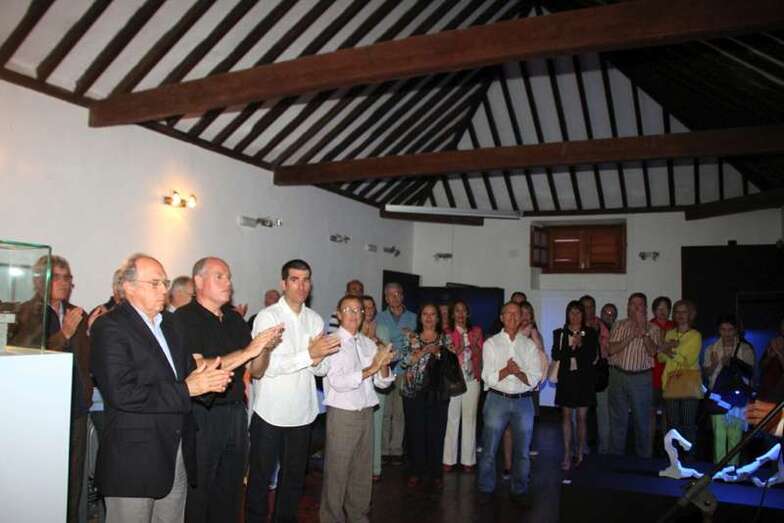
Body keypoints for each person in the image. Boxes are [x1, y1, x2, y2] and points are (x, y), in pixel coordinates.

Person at [90, 254, 232, 522]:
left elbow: (185, 374)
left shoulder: (170, 323)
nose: (164, 290)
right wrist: (188, 389)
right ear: (129, 287)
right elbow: (122, 393)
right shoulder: (109, 326)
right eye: (154, 283)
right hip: (134, 459)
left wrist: (209, 381)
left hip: (175, 449)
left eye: (165, 283)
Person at [176, 257, 283, 523]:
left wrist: (264, 349)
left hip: (235, 413)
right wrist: (248, 351)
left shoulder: (234, 319)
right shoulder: (184, 318)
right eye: (220, 276)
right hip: (202, 415)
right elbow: (199, 367)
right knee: (199, 492)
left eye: (229, 277)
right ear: (199, 281)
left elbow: (256, 370)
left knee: (231, 491)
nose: (228, 283)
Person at [245, 259, 341, 523]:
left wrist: (318, 357)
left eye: (306, 279)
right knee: (260, 479)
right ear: (284, 283)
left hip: (303, 414)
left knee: (293, 480)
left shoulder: (315, 319)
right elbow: (268, 368)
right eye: (295, 279)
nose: (302, 285)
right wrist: (309, 355)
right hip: (270, 413)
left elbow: (322, 369)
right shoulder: (268, 317)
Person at [9, 255, 95, 523]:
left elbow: (86, 359)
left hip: (76, 407)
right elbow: (28, 358)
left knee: (74, 478)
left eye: (67, 277)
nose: (63, 282)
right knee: (44, 477)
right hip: (42, 411)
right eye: (56, 277)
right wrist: (64, 334)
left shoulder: (77, 313)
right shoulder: (26, 312)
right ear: (39, 281)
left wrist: (95, 332)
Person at [319, 295, 394, 523]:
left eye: (358, 310)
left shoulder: (367, 343)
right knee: (337, 472)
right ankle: (331, 518)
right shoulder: (331, 342)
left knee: (362, 471)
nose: (354, 314)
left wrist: (383, 363)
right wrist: (371, 368)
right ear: (338, 314)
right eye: (348, 310)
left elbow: (383, 383)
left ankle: (358, 515)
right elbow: (338, 382)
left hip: (366, 413)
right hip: (342, 415)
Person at [478, 302, 546, 507]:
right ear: (501, 317)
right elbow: (487, 377)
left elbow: (535, 378)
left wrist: (518, 373)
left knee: (523, 451)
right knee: (489, 449)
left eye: (517, 314)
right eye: (508, 313)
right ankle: (485, 488)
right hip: (496, 399)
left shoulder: (529, 345)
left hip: (523, 401)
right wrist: (506, 371)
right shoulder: (491, 344)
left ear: (521, 318)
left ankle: (519, 489)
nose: (513, 317)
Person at [398, 303, 452, 490]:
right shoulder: (411, 337)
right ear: (420, 317)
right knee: (415, 432)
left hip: (438, 392)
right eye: (425, 314)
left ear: (438, 318)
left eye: (432, 314)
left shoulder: (445, 338)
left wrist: (438, 353)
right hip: (413, 392)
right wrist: (422, 352)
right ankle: (416, 471)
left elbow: (452, 364)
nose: (429, 318)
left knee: (436, 433)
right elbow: (404, 362)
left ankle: (435, 473)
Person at [607, 293, 662, 458]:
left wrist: (644, 333)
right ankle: (615, 457)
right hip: (618, 375)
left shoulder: (654, 328)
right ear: (628, 307)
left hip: (641, 378)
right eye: (633, 304)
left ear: (645, 308)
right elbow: (611, 349)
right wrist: (631, 335)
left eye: (640, 304)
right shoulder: (619, 325)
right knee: (617, 419)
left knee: (642, 420)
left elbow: (653, 352)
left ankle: (644, 459)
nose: (636, 308)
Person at [703, 314, 755, 464]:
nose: (726, 333)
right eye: (723, 329)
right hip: (717, 395)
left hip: (737, 396)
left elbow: (750, 372)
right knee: (719, 434)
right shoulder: (711, 348)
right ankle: (719, 467)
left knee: (735, 435)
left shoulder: (745, 348)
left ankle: (732, 468)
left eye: (730, 329)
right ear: (718, 330)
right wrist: (714, 365)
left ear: (736, 330)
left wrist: (733, 363)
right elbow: (706, 374)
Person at [553, 301, 599, 471]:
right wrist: (570, 345)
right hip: (566, 379)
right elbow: (556, 354)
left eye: (578, 313)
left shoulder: (590, 333)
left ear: (583, 315)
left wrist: (580, 344)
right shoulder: (560, 333)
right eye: (571, 313)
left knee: (581, 418)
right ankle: (566, 453)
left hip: (584, 380)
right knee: (566, 416)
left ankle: (580, 451)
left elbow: (592, 357)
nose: (575, 316)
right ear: (567, 314)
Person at [376, 283, 417, 465]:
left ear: (403, 295)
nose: (395, 297)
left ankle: (396, 449)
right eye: (391, 295)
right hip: (384, 368)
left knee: (399, 412)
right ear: (386, 298)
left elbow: (417, 344)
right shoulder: (379, 317)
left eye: (398, 293)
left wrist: (412, 337)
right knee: (385, 412)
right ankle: (383, 449)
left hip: (404, 368)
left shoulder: (413, 317)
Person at [443, 300, 483, 472]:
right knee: (452, 418)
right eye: (457, 311)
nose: (460, 314)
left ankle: (468, 460)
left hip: (472, 378)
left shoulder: (477, 331)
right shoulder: (447, 332)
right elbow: (447, 357)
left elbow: (481, 354)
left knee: (470, 418)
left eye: (463, 311)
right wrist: (459, 347)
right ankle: (449, 459)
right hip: (454, 379)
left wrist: (473, 345)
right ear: (452, 314)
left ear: (468, 313)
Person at [658, 300, 701, 449]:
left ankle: (689, 459)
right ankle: (675, 459)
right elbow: (660, 357)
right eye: (677, 312)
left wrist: (668, 348)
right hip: (670, 383)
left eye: (684, 312)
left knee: (688, 425)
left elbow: (688, 360)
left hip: (689, 385)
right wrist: (671, 348)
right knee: (673, 426)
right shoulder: (670, 333)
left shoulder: (695, 335)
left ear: (691, 314)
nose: (680, 315)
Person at [361, 295, 391, 482]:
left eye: (372, 307)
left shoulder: (383, 329)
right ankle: (360, 469)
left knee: (376, 425)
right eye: (365, 307)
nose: (369, 310)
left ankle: (375, 468)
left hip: (379, 382)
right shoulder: (353, 328)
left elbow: (389, 353)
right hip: (359, 383)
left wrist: (375, 338)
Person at [580, 295, 610, 454]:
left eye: (591, 306)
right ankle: (581, 446)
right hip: (581, 376)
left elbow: (608, 349)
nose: (589, 310)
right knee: (581, 414)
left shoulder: (602, 325)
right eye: (585, 307)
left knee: (603, 412)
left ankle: (605, 448)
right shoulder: (575, 326)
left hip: (599, 374)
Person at [650, 296, 673, 449]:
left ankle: (667, 449)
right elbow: (651, 350)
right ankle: (650, 447)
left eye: (665, 309)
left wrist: (663, 347)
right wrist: (666, 346)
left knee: (668, 416)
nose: (662, 312)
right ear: (654, 310)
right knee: (650, 414)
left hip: (671, 378)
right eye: (659, 309)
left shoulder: (674, 326)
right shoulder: (649, 326)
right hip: (652, 376)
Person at [759, 317, 784, 402]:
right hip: (768, 391)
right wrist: (770, 357)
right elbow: (761, 366)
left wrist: (779, 353)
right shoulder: (774, 342)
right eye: (782, 325)